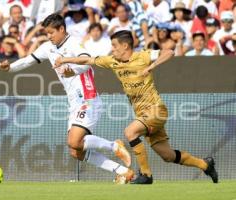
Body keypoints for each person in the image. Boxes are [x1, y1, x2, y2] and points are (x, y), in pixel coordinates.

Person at [55, 30, 219, 184]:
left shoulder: (144, 56)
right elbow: (87, 60)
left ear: (125, 46)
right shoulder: (113, 61)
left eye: (114, 46)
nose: (112, 49)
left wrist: (150, 67)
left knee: (130, 132)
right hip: (143, 115)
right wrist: (65, 60)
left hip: (156, 110)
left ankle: (146, 174)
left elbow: (169, 52)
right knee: (167, 155)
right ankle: (205, 164)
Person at [0, 13, 134, 184]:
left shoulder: (74, 44)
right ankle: (123, 171)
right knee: (75, 151)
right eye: (46, 33)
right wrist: (9, 68)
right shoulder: (47, 47)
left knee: (74, 141)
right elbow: (27, 61)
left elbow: (86, 62)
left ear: (61, 29)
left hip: (88, 97)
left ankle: (114, 145)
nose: (48, 36)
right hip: (74, 102)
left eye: (51, 33)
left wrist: (73, 70)